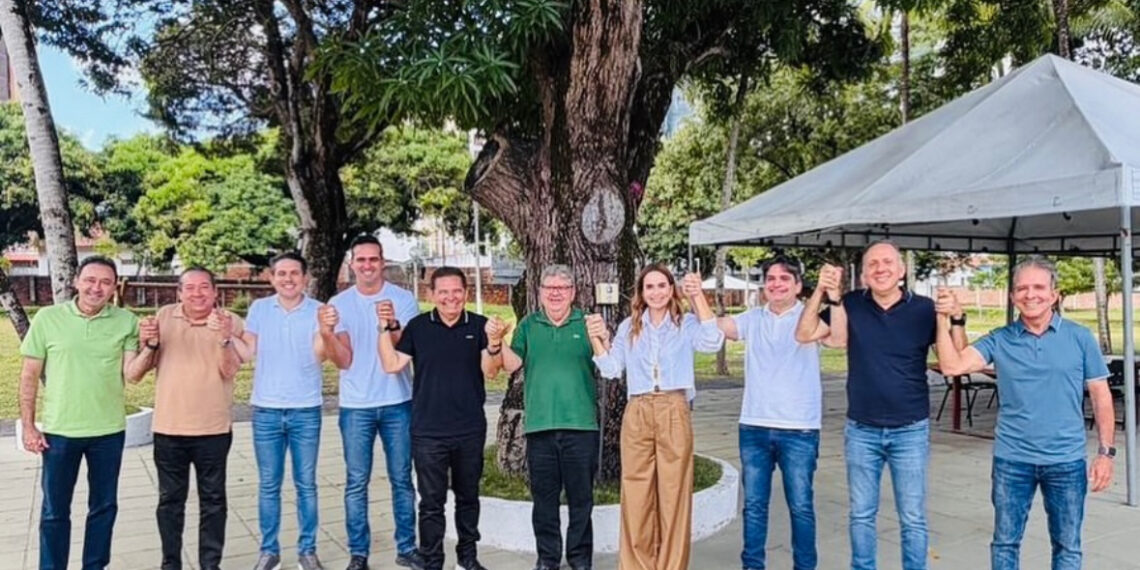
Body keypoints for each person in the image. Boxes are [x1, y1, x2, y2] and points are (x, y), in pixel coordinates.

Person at [934, 257, 1114, 570]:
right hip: (1012, 460)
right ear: (1013, 297)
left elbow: (1101, 396)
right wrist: (943, 318)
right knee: (1005, 543)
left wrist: (1105, 453)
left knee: (1068, 547)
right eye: (1022, 288)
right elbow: (952, 365)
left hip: (1066, 460)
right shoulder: (1000, 339)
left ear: (1054, 294)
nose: (1031, 294)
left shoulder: (1080, 337)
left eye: (1039, 287)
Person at [794, 240, 965, 570]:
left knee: (913, 517)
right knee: (861, 514)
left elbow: (955, 358)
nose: (880, 269)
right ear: (863, 274)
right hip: (862, 429)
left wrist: (955, 319)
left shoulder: (925, 308)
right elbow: (804, 334)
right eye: (872, 264)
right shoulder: (851, 304)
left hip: (910, 430)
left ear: (901, 271)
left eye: (888, 262)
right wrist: (821, 292)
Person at [588, 264, 724, 570]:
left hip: (673, 407)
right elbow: (611, 369)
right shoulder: (628, 327)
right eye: (649, 287)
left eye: (662, 285)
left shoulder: (685, 324)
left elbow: (712, 341)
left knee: (674, 494)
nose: (656, 292)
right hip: (637, 410)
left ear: (671, 289)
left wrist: (697, 296)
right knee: (636, 493)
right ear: (641, 292)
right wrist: (595, 337)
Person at [18, 256, 151, 570]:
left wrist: (152, 347)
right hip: (60, 432)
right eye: (90, 280)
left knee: (104, 507)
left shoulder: (126, 321)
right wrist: (27, 425)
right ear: (76, 282)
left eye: (106, 282)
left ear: (114, 287)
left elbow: (132, 374)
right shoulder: (48, 318)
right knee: (54, 511)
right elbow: (28, 375)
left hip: (108, 432)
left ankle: (95, 566)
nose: (97, 288)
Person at [377, 266, 502, 570]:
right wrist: (383, 330)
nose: (450, 298)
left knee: (468, 498)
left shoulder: (480, 325)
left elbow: (491, 370)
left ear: (466, 293)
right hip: (428, 432)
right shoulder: (418, 327)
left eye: (456, 291)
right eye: (443, 292)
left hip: (469, 429)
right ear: (431, 294)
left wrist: (495, 343)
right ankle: (432, 560)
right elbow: (393, 364)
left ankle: (467, 559)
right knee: (431, 504)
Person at [716, 257, 836, 570]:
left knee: (801, 506)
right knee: (754, 507)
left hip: (799, 429)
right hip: (754, 426)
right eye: (770, 278)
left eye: (785, 278)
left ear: (798, 285)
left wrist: (823, 293)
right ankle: (752, 565)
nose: (776, 284)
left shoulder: (810, 316)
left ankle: (805, 566)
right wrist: (692, 299)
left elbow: (837, 340)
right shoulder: (753, 317)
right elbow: (722, 327)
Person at [134, 267, 245, 570]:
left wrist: (224, 339)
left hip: (214, 429)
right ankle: (170, 563)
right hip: (169, 428)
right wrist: (149, 343)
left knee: (214, 502)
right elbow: (139, 370)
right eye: (190, 288)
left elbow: (230, 370)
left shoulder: (230, 321)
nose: (198, 293)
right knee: (170, 502)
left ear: (215, 291)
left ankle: (210, 564)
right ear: (179, 292)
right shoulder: (164, 316)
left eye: (204, 287)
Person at [326, 234, 424, 570]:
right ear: (352, 264)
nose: (367, 265)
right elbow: (342, 360)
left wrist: (392, 323)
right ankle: (359, 553)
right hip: (356, 406)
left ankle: (407, 547)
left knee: (401, 478)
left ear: (383, 262)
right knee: (356, 481)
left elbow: (405, 350)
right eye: (361, 260)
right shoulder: (339, 304)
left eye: (374, 259)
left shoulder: (403, 299)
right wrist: (326, 334)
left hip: (399, 401)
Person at [499, 264, 600, 570]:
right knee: (544, 502)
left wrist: (603, 337)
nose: (555, 293)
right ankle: (548, 559)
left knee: (581, 501)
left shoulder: (588, 323)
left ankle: (581, 559)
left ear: (573, 292)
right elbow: (511, 364)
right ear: (540, 292)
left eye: (562, 288)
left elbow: (609, 361)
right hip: (539, 427)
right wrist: (496, 342)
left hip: (581, 426)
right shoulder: (529, 325)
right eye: (549, 288)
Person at [239, 252, 331, 570]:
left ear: (305, 278)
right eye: (281, 274)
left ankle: (308, 550)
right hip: (265, 410)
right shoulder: (260, 310)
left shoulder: (320, 311)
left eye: (294, 273)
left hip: (306, 409)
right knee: (269, 483)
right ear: (271, 277)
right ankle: (269, 551)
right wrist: (227, 336)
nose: (288, 279)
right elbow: (248, 350)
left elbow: (322, 355)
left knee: (306, 483)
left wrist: (327, 331)